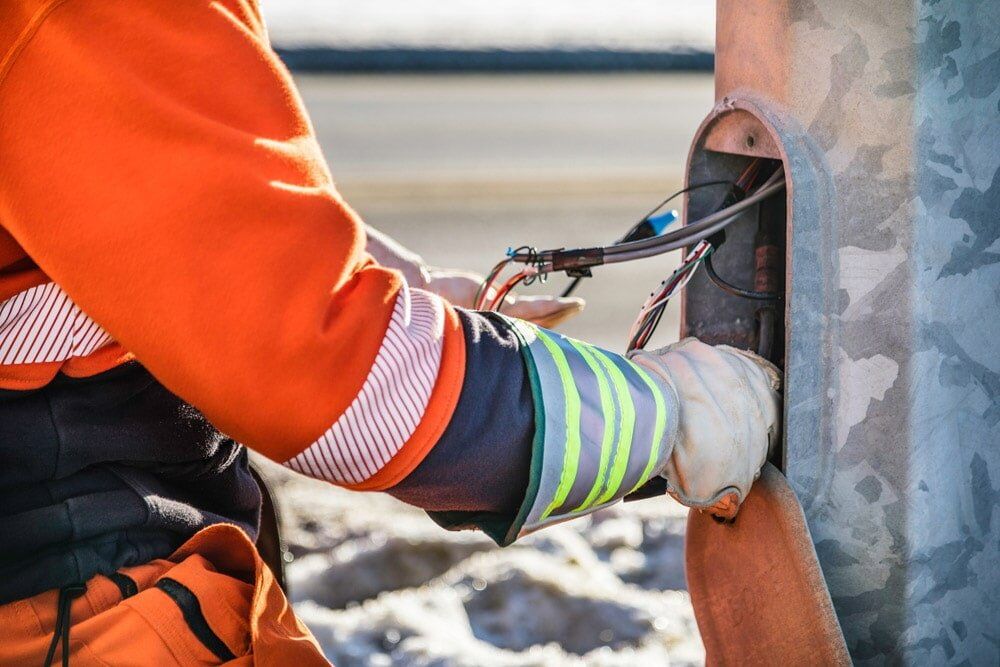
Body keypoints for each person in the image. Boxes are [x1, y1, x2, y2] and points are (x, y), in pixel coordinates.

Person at [0, 2, 781, 664]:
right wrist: (674, 414)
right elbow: (343, 379)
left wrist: (364, 266)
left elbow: (132, 195)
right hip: (66, 607)